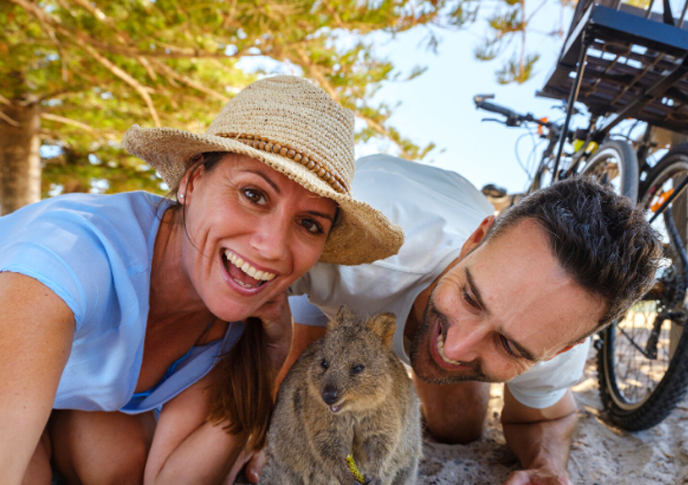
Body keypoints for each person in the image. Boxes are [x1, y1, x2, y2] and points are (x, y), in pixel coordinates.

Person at [0, 76, 404, 485]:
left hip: (61, 406)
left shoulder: (227, 313)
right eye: (254, 195)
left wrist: (269, 359)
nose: (273, 248)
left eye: (308, 224)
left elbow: (174, 479)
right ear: (192, 182)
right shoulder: (67, 256)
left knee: (117, 464)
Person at [268, 154, 662, 485]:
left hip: (449, 216)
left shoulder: (556, 329)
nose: (455, 348)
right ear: (476, 240)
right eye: (472, 297)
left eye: (509, 344)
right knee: (284, 399)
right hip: (353, 248)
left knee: (459, 428)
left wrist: (546, 465)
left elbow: (549, 418)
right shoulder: (348, 246)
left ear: (564, 348)